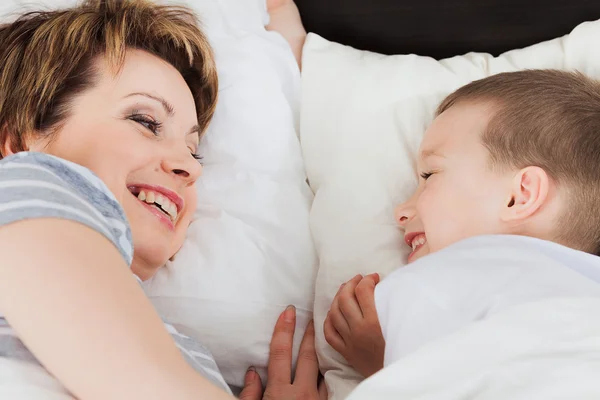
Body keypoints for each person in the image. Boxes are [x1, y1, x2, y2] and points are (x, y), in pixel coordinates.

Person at [0, 1, 320, 399]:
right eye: (145, 121)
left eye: (194, 150)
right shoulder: (21, 183)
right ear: (18, 143)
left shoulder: (166, 346)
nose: (192, 168)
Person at [324, 69, 600, 378]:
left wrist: (386, 363)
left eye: (429, 175)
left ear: (519, 195)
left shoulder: (439, 285)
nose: (401, 212)